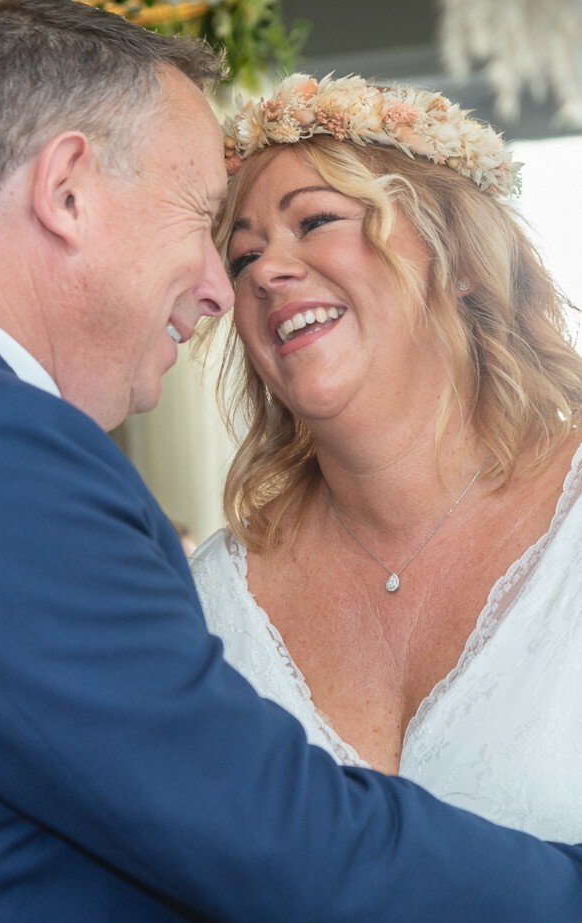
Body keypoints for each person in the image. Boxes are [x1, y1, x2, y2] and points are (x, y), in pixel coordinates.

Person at [0, 4, 582, 923]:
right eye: (221, 237)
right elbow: (274, 840)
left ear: (457, 255)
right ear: (66, 192)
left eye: (317, 220)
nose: (235, 283)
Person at [191, 72, 582, 842]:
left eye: (316, 221)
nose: (267, 270)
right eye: (241, 259)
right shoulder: (210, 600)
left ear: (459, 257)